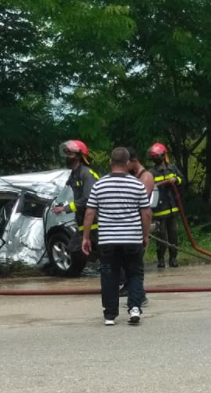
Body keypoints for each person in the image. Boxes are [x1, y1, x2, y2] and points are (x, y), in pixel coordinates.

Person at [82, 147, 151, 326]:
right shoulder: (137, 185)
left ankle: (110, 315)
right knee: (134, 274)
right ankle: (134, 308)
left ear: (111, 162)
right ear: (128, 163)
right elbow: (146, 214)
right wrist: (145, 235)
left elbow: (89, 213)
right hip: (132, 239)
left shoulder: (100, 185)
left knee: (109, 276)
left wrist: (86, 238)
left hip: (107, 241)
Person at [51, 140, 100, 269]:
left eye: (70, 154)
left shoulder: (87, 174)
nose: (67, 157)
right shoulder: (73, 175)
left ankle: (120, 278)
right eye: (66, 154)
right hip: (83, 222)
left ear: (79, 156)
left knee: (102, 252)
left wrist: (65, 208)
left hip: (96, 222)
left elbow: (88, 199)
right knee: (74, 248)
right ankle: (101, 264)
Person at [118, 148, 155, 298]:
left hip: (139, 225)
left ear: (134, 161)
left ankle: (139, 294)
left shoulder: (145, 177)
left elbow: (139, 203)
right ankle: (130, 288)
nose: (125, 167)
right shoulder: (132, 176)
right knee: (126, 262)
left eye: (127, 164)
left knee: (135, 264)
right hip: (128, 225)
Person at [148, 143, 185, 268]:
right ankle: (161, 260)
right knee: (161, 237)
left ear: (164, 156)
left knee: (173, 235)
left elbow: (182, 180)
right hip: (159, 211)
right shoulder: (151, 173)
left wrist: (176, 180)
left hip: (172, 208)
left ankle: (173, 259)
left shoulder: (172, 169)